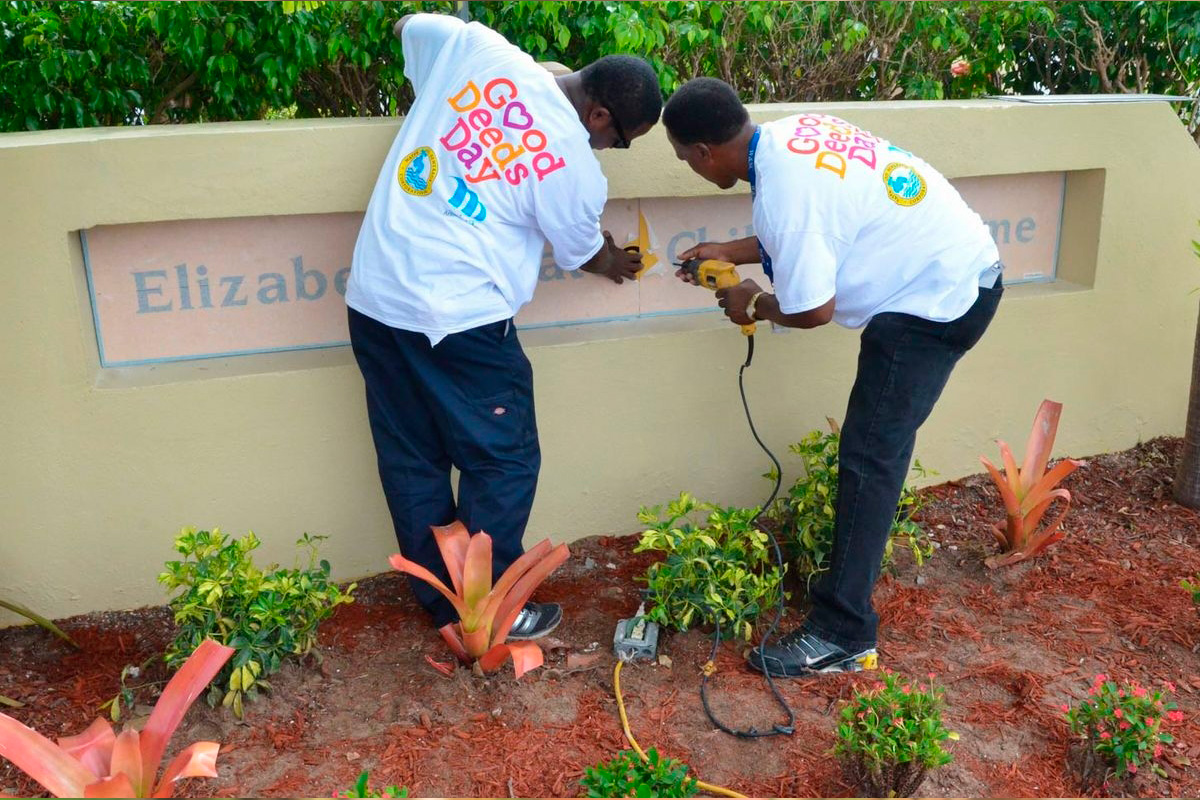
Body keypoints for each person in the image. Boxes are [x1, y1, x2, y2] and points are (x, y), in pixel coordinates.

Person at [661, 78, 1003, 677]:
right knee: (872, 451)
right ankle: (846, 603)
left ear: (702, 152)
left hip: (932, 304)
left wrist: (751, 301)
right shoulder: (791, 136)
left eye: (684, 159)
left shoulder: (783, 197)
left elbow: (812, 310)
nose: (689, 168)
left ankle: (841, 634)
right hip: (959, 270)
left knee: (870, 456)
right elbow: (817, 226)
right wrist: (734, 251)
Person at [346, 13, 662, 640]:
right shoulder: (574, 164)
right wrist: (616, 260)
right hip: (460, 318)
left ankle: (445, 611)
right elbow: (581, 251)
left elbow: (410, 25)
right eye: (622, 140)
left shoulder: (479, 47)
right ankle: (489, 613)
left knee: (412, 459)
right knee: (503, 459)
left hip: (375, 296)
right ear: (599, 117)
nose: (612, 151)